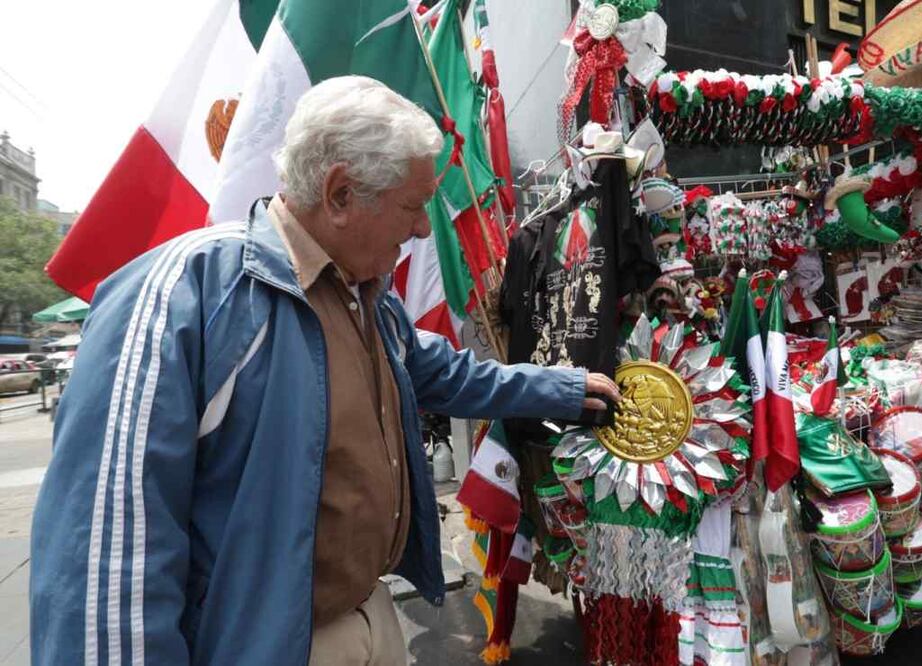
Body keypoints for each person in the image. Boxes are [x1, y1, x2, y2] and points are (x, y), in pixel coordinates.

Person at [30, 76, 621, 666]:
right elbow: (103, 564)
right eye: (413, 205)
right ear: (340, 195)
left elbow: (450, 375)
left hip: (373, 615)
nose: (422, 228)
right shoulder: (189, 293)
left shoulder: (368, 297)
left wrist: (564, 389)